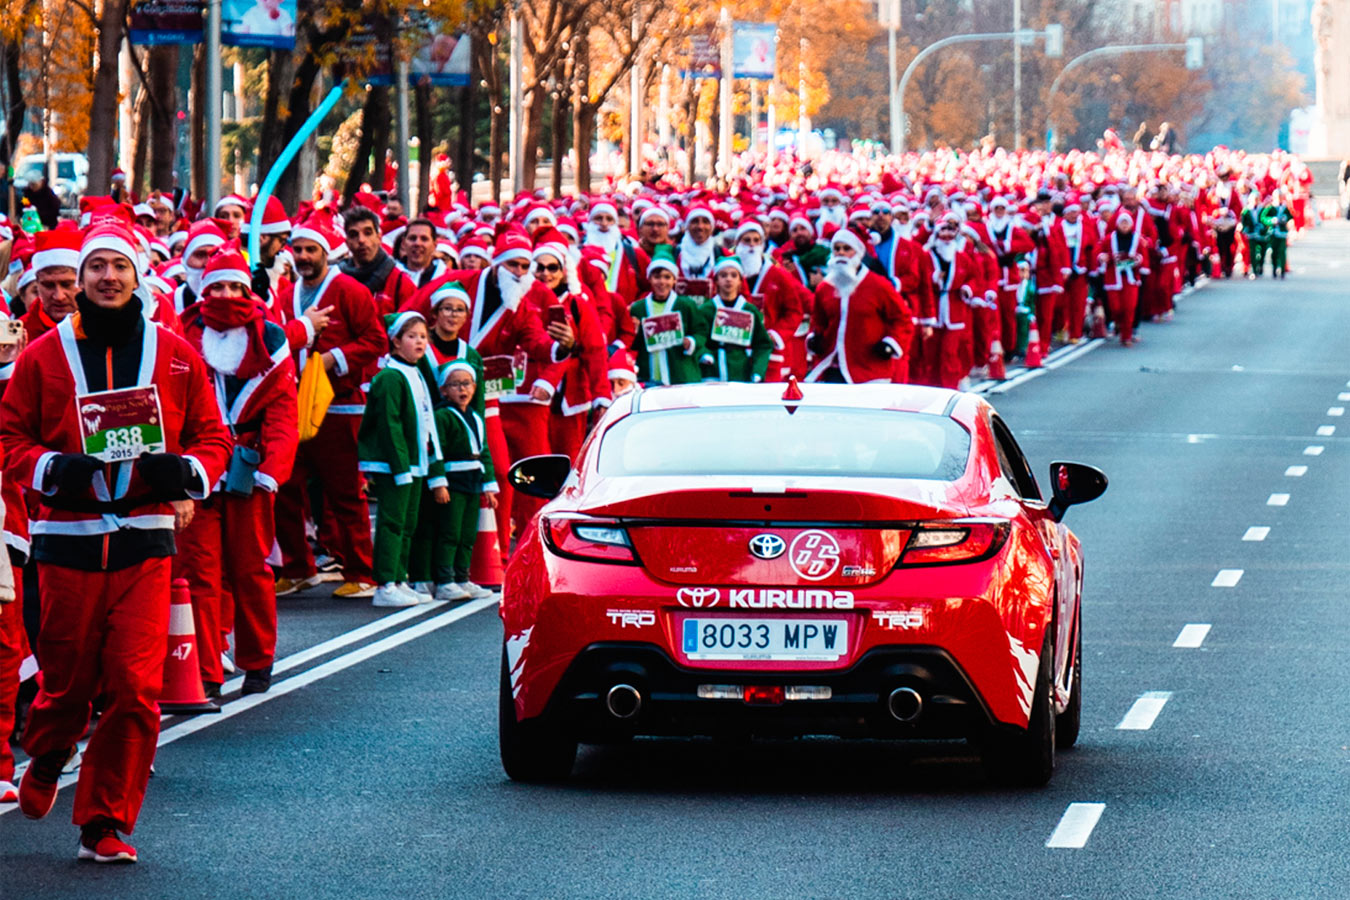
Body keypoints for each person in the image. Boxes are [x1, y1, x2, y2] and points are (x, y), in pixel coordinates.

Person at [2, 221, 232, 864]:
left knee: (134, 688)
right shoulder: (42, 355)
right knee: (67, 685)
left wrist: (186, 473)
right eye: (96, 266)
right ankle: (49, 750)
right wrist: (54, 470)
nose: (108, 277)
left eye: (119, 267)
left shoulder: (177, 351)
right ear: (79, 279)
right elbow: (9, 438)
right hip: (67, 540)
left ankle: (105, 820)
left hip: (145, 541)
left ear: (138, 277)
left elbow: (214, 439)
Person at [177, 245, 298, 697]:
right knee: (200, 572)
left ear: (249, 291)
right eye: (217, 287)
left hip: (250, 467)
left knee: (251, 568)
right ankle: (207, 669)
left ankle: (257, 660)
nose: (226, 296)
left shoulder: (270, 340)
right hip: (197, 469)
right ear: (203, 291)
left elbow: (283, 413)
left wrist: (270, 471)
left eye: (235, 287)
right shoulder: (181, 333)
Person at [273, 218, 385, 598]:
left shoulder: (349, 290)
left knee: (344, 493)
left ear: (326, 252)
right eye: (298, 250)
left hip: (339, 407)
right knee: (284, 487)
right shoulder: (286, 294)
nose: (303, 257)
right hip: (291, 405)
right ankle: (298, 567)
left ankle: (362, 572)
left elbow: (375, 340)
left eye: (311, 250)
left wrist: (333, 358)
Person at [357, 312, 448, 608]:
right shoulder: (389, 377)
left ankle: (399, 578)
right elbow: (389, 424)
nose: (420, 342)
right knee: (392, 522)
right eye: (412, 336)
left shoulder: (416, 372)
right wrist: (399, 466)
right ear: (395, 342)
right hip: (398, 464)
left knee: (408, 523)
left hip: (415, 462)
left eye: (423, 336)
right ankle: (385, 583)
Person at [409, 361, 498, 603]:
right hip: (452, 481)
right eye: (455, 384)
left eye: (467, 384)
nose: (462, 389)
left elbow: (485, 452)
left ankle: (462, 577)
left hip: (472, 480)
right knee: (449, 532)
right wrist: (439, 482)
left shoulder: (476, 417)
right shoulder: (442, 416)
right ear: (443, 390)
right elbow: (435, 450)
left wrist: (489, 486)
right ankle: (445, 579)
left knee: (467, 534)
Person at [806, 227, 916, 384]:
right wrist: (814, 338)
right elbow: (818, 320)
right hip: (833, 368)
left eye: (847, 248)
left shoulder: (879, 285)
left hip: (868, 370)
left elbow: (902, 319)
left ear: (858, 252)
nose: (841, 253)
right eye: (837, 249)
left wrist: (891, 342)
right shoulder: (825, 288)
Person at [630, 245, 706, 386]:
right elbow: (633, 343)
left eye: (667, 277)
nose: (662, 282)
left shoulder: (686, 305)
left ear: (674, 280)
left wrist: (691, 341)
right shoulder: (639, 308)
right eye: (657, 277)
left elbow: (701, 331)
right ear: (650, 279)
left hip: (681, 374)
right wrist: (634, 330)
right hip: (649, 375)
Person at [699, 256, 772, 383]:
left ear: (740, 281)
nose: (728, 279)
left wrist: (758, 371)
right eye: (723, 275)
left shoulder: (749, 310)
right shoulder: (706, 310)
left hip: (740, 370)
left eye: (733, 275)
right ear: (716, 280)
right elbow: (698, 338)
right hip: (712, 370)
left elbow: (763, 344)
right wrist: (705, 354)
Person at [340, 205, 416, 315]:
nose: (361, 240)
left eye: (368, 233)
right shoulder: (337, 280)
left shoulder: (400, 282)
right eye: (354, 234)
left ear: (379, 237)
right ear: (347, 242)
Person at [1096, 213, 1150, 346]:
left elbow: (1143, 256)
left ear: (1131, 225)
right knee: (1115, 307)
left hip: (1130, 278)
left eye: (1127, 223)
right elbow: (1099, 252)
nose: (1124, 226)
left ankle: (1126, 336)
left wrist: (1136, 260)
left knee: (1129, 307)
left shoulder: (1138, 239)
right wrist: (1103, 257)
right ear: (1117, 224)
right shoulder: (1109, 239)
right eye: (1122, 223)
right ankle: (1118, 323)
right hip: (1113, 278)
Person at [395, 218, 445, 289]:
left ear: (434, 245)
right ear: (403, 243)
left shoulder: (446, 279)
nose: (417, 243)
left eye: (424, 239)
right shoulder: (390, 276)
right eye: (412, 238)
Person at [1259, 193, 1292, 279]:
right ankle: (1274, 268)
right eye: (1277, 197)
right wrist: (1271, 221)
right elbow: (1263, 218)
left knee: (1282, 251)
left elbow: (1290, 216)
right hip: (1273, 233)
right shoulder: (1270, 207)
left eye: (1281, 197)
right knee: (1274, 251)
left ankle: (1282, 270)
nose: (1279, 199)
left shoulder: (1285, 207)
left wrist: (1285, 218)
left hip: (1282, 233)